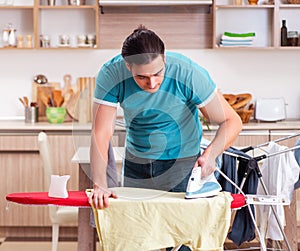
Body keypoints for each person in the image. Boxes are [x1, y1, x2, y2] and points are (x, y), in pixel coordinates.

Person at [89, 25, 242, 250]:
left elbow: (231, 121)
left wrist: (210, 155)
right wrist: (100, 183)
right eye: (142, 77)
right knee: (137, 240)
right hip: (137, 163)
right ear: (127, 65)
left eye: (157, 73)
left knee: (182, 241)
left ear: (164, 60)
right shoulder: (111, 74)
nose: (151, 83)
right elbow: (101, 131)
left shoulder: (187, 73)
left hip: (182, 163)